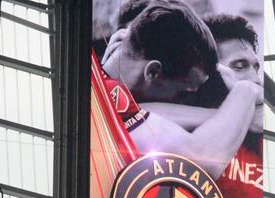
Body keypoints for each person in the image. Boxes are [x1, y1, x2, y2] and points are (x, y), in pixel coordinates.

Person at [98, 1, 262, 178]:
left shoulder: (102, 83)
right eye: (182, 92)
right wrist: (246, 91)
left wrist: (231, 112)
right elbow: (204, 162)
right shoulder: (114, 102)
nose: (182, 102)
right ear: (153, 72)